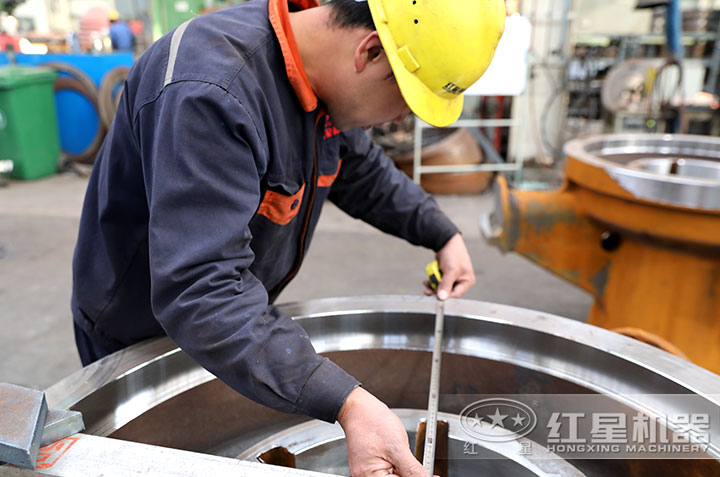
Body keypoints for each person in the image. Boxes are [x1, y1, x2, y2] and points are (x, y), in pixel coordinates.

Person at [71, 0, 505, 475]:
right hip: (142, 327)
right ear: (369, 51)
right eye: (405, 99)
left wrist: (442, 233)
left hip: (232, 320)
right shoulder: (211, 91)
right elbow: (201, 289)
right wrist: (348, 402)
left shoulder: (321, 79)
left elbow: (361, 170)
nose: (400, 119)